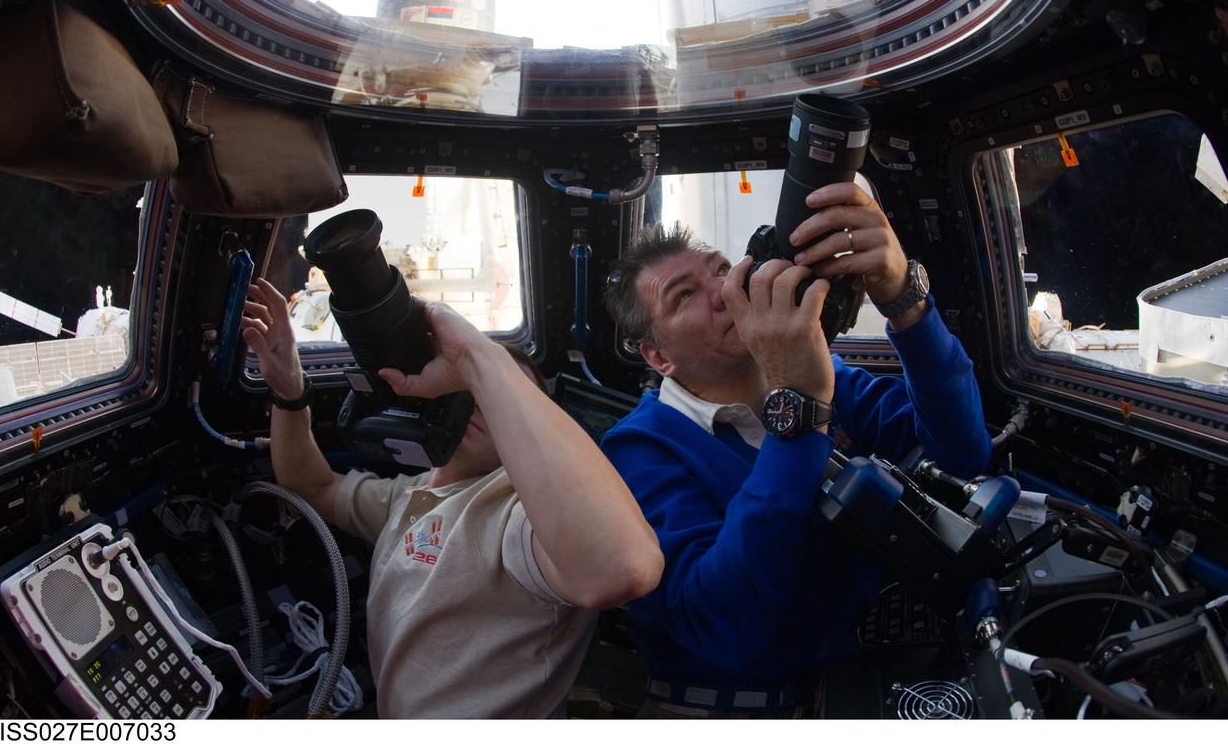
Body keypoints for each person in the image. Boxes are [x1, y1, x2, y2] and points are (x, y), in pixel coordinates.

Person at [600, 183, 992, 718]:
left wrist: (903, 300)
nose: (721, 290)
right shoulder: (637, 452)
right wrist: (801, 411)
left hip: (867, 679)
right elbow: (727, 623)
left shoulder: (834, 382)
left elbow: (962, 453)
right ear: (658, 355)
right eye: (684, 295)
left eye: (720, 269)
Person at [241, 278, 663, 718]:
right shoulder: (411, 494)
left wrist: (481, 359)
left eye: (501, 399)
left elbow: (622, 569)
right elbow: (313, 487)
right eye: (472, 387)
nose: (482, 401)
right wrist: (290, 392)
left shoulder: (517, 516)